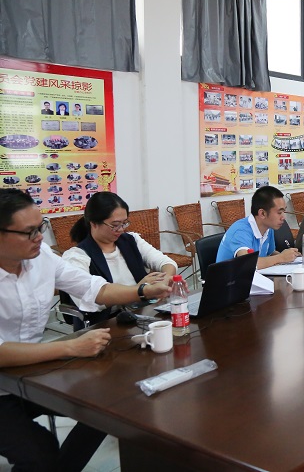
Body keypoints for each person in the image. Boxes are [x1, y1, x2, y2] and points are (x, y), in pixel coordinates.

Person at [0, 189, 172, 471]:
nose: (40, 237)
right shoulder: (74, 253)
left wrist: (143, 291)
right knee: (39, 452)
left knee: (105, 408)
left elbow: (94, 288)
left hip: (27, 372)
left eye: (41, 227)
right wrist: (70, 346)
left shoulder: (41, 257)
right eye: (29, 232)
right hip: (8, 381)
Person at [62, 192, 177, 330]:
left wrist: (164, 280)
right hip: (101, 327)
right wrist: (140, 289)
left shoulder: (131, 240)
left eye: (124, 223)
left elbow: (166, 263)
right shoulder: (77, 257)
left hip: (138, 317)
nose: (121, 229)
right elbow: (92, 299)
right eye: (115, 225)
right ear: (94, 223)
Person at [217, 185, 300, 269]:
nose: (283, 217)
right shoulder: (240, 231)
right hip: (229, 277)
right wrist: (281, 257)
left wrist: (290, 257)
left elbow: (270, 253)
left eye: (284, 211)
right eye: (279, 212)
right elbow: (248, 264)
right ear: (262, 213)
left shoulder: (268, 228)